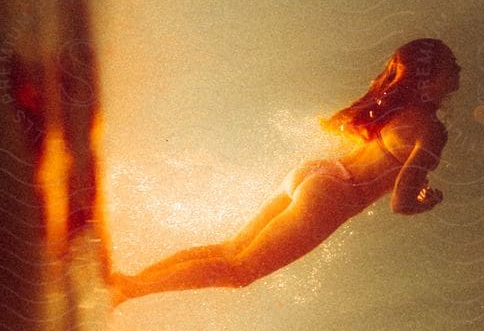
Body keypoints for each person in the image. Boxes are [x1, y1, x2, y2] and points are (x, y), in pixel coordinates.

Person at [108, 37, 461, 302]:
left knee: (230, 250)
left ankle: (129, 281)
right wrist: (423, 201)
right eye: (452, 65)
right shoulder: (433, 131)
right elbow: (400, 202)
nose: (460, 68)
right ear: (428, 82)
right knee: (238, 271)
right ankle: (131, 289)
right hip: (333, 196)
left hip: (317, 174)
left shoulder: (396, 113)